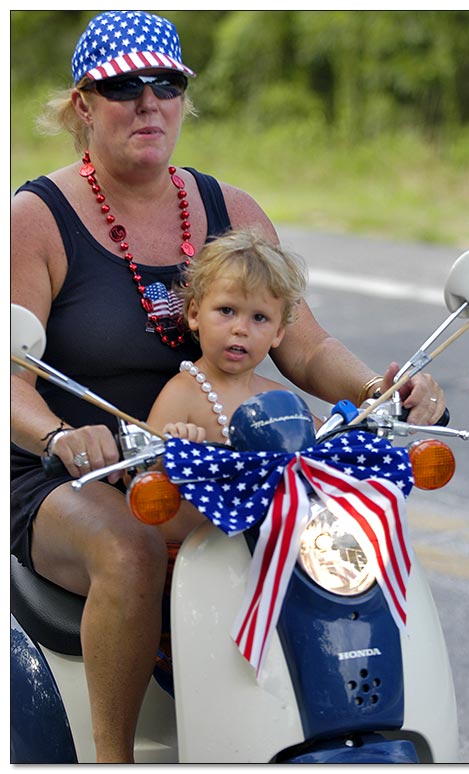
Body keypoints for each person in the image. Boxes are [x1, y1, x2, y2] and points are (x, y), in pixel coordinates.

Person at [10, 10, 445, 763]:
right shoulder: (35, 220)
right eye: (125, 86)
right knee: (131, 551)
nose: (149, 102)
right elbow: (8, 376)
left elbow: (306, 345)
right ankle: (112, 757)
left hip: (218, 460)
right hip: (80, 473)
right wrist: (57, 435)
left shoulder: (229, 211)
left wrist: (382, 390)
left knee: (340, 532)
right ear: (83, 104)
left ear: (183, 97)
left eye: (167, 84)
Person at [147, 228, 322, 444]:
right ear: (194, 314)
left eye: (259, 317)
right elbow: (141, 471)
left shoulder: (278, 399)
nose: (241, 328)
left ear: (278, 333)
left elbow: (323, 442)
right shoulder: (182, 394)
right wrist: (171, 446)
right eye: (227, 311)